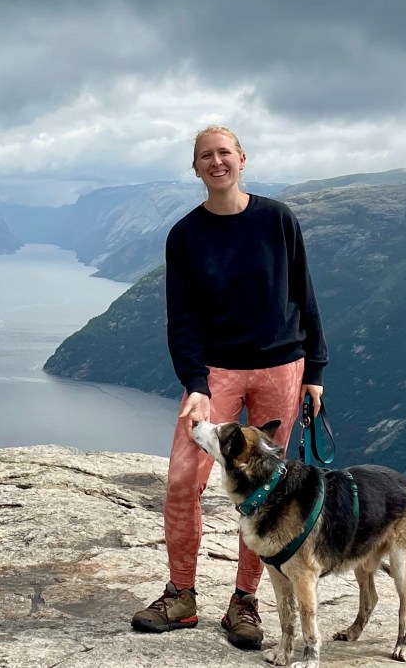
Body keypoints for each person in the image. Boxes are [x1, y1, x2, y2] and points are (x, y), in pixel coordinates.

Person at [130, 125, 328, 650]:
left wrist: (315, 371)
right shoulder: (186, 234)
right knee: (181, 481)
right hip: (215, 372)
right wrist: (194, 383)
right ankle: (181, 595)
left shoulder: (277, 220)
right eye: (205, 156)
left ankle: (245, 600)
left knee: (267, 489)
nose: (216, 162)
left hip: (280, 367)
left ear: (241, 158)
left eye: (224, 153)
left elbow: (303, 293)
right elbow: (183, 319)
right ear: (196, 168)